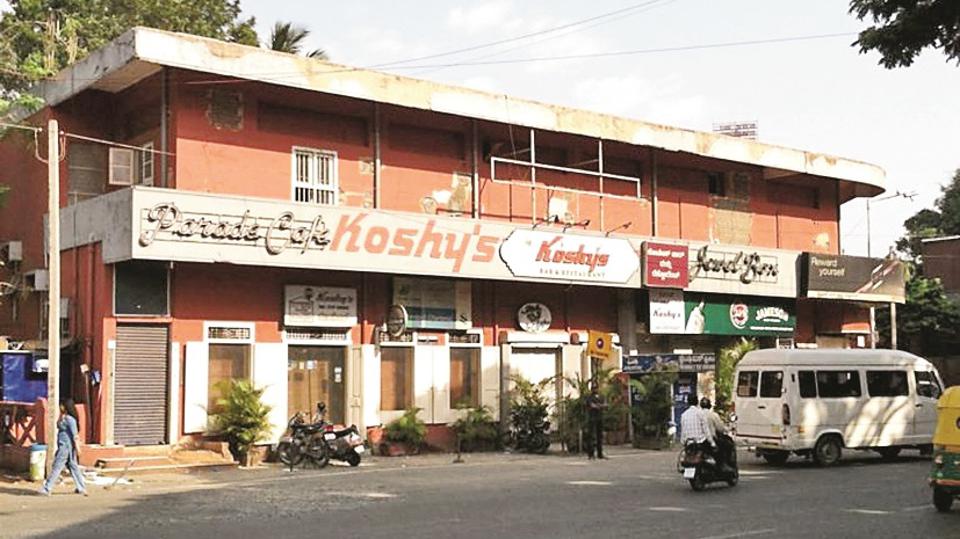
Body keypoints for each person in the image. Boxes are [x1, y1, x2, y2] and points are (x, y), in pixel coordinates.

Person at [39, 399, 87, 496]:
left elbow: (75, 435)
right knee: (73, 467)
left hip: (66, 447)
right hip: (63, 446)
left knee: (57, 466)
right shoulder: (64, 418)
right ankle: (81, 488)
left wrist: (78, 448)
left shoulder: (70, 419)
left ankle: (47, 488)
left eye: (61, 405)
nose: (60, 407)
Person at [701, 397, 734, 472]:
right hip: (711, 439)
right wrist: (728, 429)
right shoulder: (713, 415)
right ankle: (723, 464)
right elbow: (720, 428)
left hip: (699, 440)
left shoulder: (698, 414)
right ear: (709, 406)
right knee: (727, 446)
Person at [584, 383, 607, 459]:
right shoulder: (589, 397)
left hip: (600, 418)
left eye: (596, 388)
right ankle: (591, 454)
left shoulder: (601, 396)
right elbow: (591, 405)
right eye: (594, 388)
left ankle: (600, 454)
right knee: (591, 437)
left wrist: (599, 405)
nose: (595, 390)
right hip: (592, 419)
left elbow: (605, 405)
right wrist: (599, 406)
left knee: (599, 436)